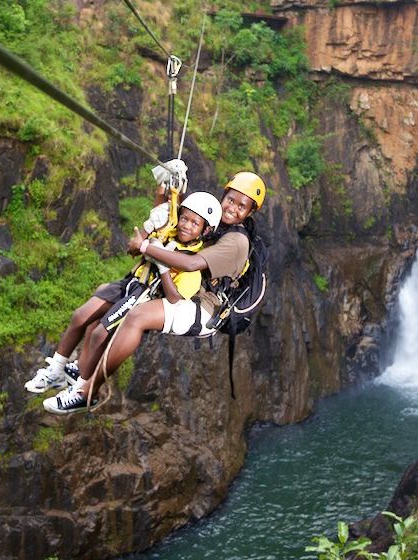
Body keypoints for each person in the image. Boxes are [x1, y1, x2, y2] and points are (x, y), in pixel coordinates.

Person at [43, 171, 266, 415]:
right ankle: (83, 367)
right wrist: (167, 189)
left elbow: (190, 264)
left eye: (241, 206)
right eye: (231, 200)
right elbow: (173, 223)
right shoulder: (215, 222)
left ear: (250, 212)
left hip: (204, 308)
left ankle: (87, 393)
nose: (232, 208)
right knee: (107, 299)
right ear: (223, 195)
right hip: (181, 287)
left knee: (137, 317)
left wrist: (147, 248)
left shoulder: (236, 241)